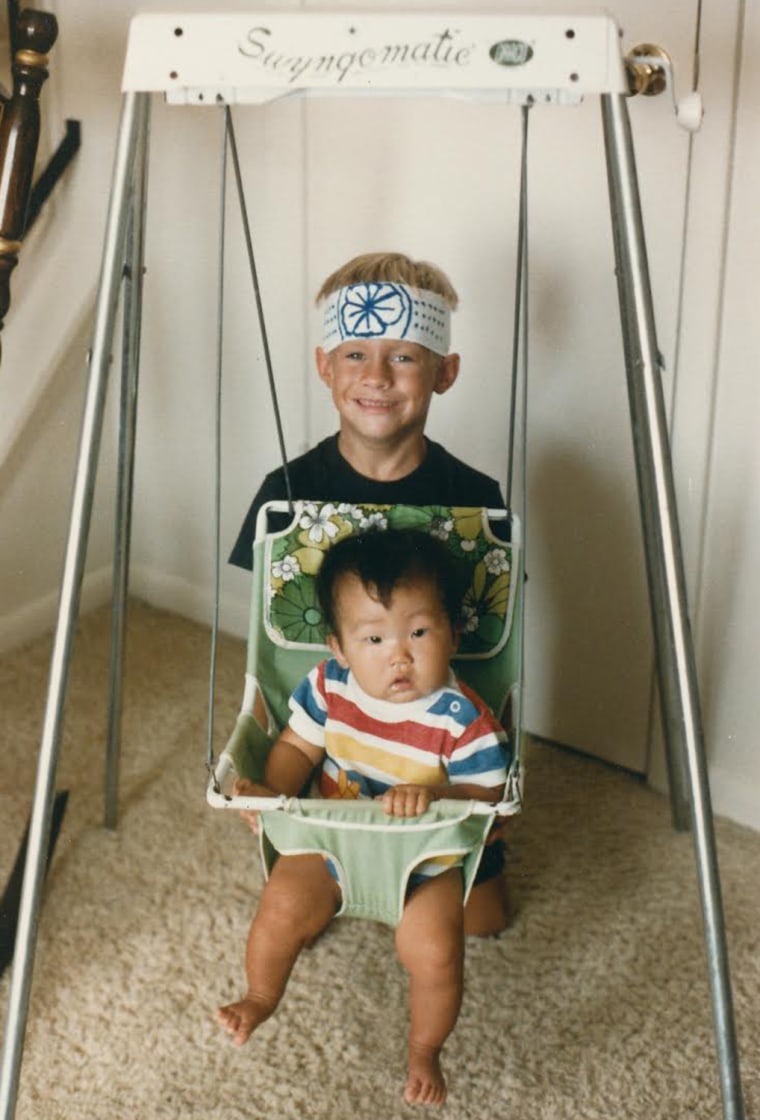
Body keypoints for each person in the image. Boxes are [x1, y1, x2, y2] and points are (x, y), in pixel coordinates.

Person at [229, 250, 511, 938]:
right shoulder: (283, 494)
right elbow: (275, 656)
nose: (377, 377)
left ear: (445, 372)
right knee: (301, 896)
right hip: (341, 750)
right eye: (354, 353)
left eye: (405, 358)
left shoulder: (476, 499)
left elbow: (486, 653)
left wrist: (471, 789)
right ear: (325, 367)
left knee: (481, 923)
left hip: (436, 751)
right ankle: (338, 862)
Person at [217, 529, 511, 1107]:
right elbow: (298, 749)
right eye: (374, 638)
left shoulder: (461, 717)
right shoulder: (329, 688)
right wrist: (270, 796)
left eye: (419, 632)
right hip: (332, 839)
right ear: (340, 647)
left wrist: (439, 793)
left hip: (424, 859)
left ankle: (425, 1048)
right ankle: (259, 995)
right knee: (280, 905)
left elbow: (488, 795)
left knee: (436, 951)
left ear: (452, 632)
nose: (399, 655)